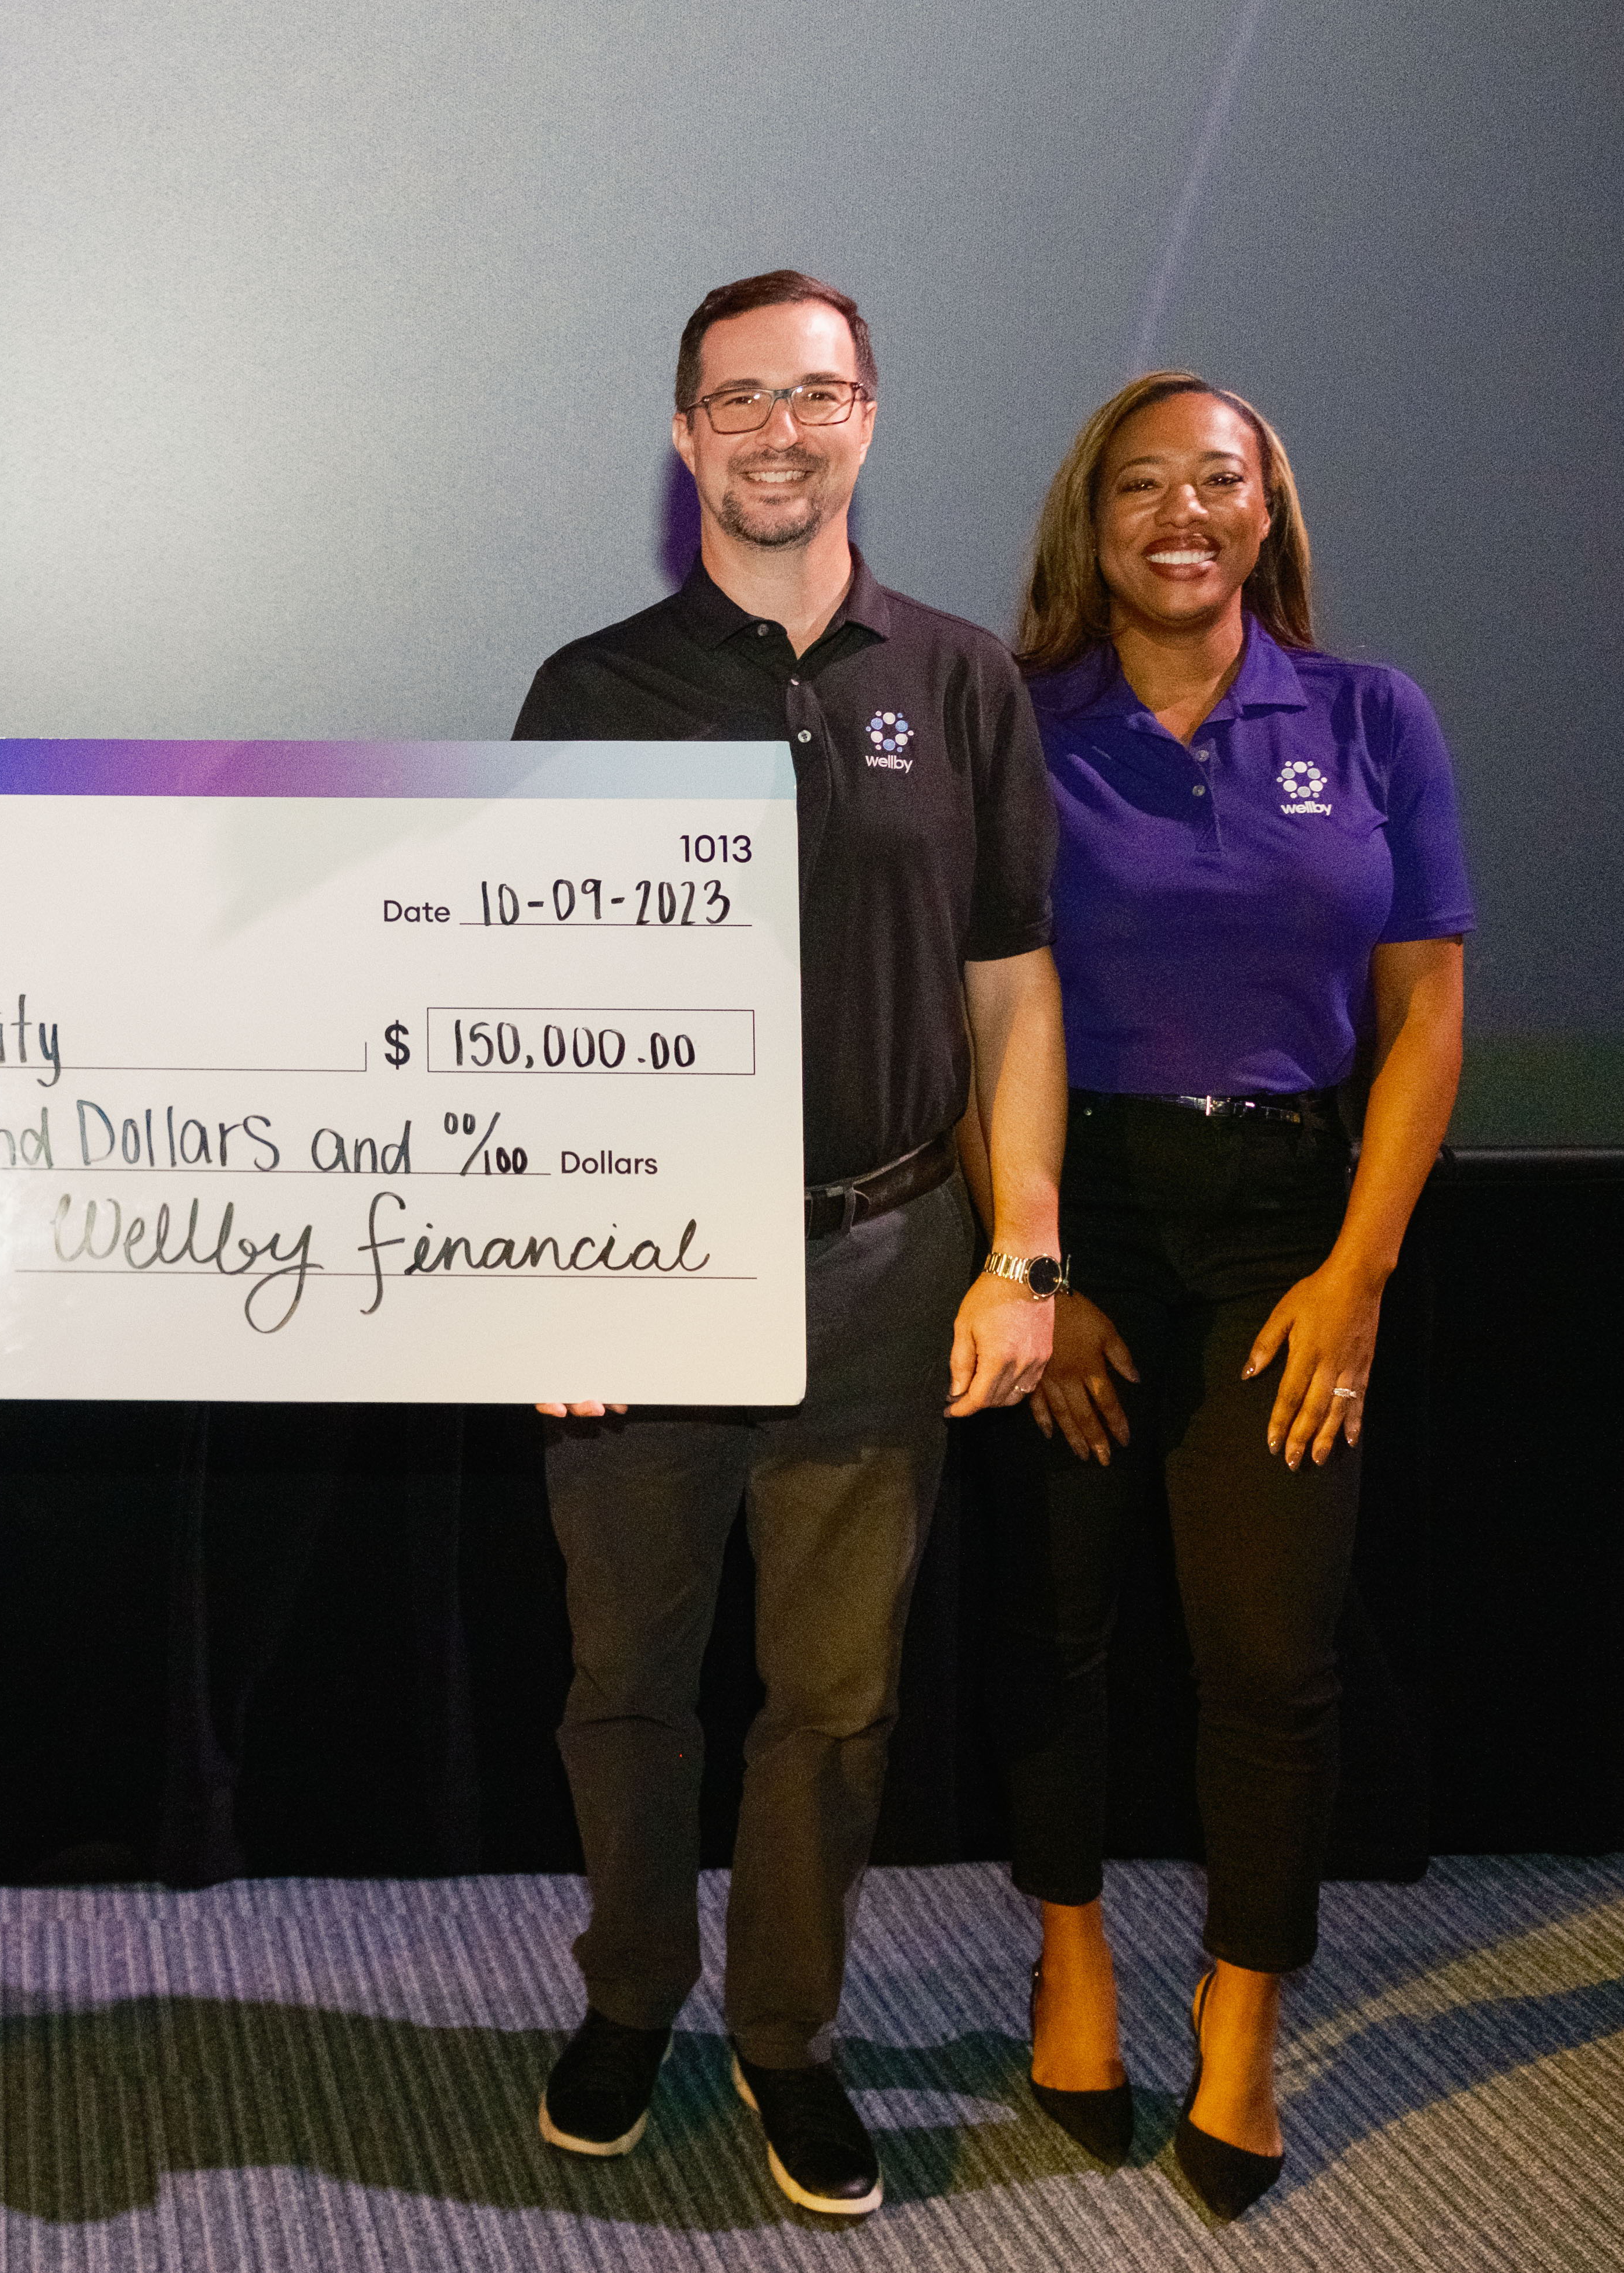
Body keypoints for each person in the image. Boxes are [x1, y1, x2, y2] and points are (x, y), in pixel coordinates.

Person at [508, 271, 1066, 2217]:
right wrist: (537, 1272)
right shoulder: (590, 691)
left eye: (811, 394)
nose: (775, 429)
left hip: (886, 1258)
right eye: (734, 400)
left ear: (867, 417)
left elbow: (1010, 985)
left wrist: (1029, 1253)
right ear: (684, 439)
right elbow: (524, 1011)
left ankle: (785, 2035)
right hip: (642, 1280)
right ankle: (631, 1994)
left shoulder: (961, 678)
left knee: (834, 1698)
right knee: (626, 1682)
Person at [999, 372, 1470, 2215]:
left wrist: (1355, 1272)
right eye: (1140, 484)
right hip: (1070, 1203)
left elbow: (1425, 1009)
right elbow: (980, 1011)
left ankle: (1244, 2020)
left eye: (1218, 480)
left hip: (1292, 1221)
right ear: (1087, 517)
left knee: (1270, 1661)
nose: (1179, 511)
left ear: (1266, 511)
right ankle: (1069, 1958)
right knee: (1054, 1623)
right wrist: (1033, 1265)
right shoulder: (1015, 720)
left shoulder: (1369, 715)